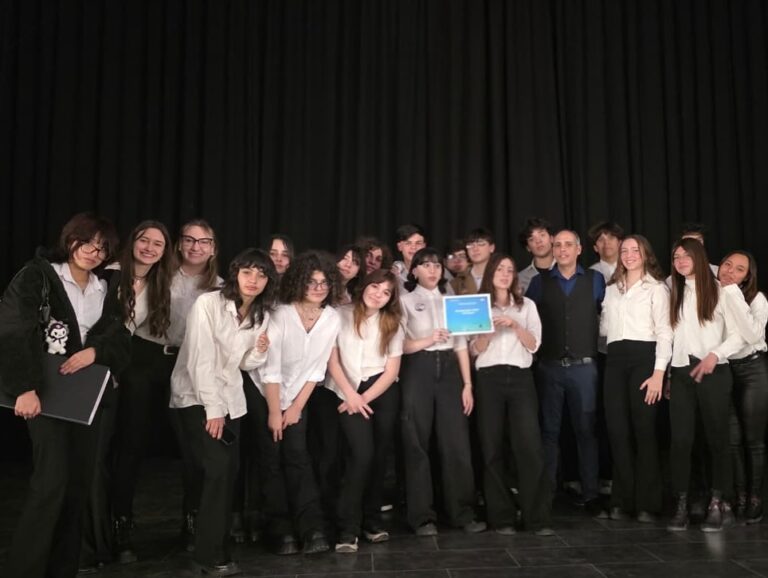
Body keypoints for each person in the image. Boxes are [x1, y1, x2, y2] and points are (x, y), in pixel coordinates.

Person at [0, 212, 130, 578]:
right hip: (44, 394)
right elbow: (12, 331)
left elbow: (121, 340)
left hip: (86, 398)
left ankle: (63, 569)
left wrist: (96, 352)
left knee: (78, 486)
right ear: (69, 240)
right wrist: (24, 388)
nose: (92, 251)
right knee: (51, 483)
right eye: (86, 242)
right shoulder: (39, 276)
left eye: (101, 248)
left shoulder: (105, 287)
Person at [115, 218, 222, 555]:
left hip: (189, 364)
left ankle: (192, 522)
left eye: (203, 241)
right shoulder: (159, 272)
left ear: (213, 248)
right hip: (145, 358)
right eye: (189, 239)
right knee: (131, 442)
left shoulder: (220, 287)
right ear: (178, 244)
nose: (195, 247)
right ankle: (120, 523)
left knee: (193, 449)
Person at [170, 248, 276, 576]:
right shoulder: (209, 303)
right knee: (216, 471)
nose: (253, 280)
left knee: (228, 473)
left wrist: (259, 352)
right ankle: (208, 554)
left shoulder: (261, 314)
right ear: (235, 274)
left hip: (232, 401)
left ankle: (217, 547)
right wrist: (213, 410)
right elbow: (198, 359)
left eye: (261, 274)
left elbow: (243, 364)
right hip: (196, 398)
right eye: (247, 272)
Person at [253, 251, 341, 555]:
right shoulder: (280, 314)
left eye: (324, 282)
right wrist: (274, 412)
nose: (318, 288)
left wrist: (295, 408)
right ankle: (279, 528)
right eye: (311, 282)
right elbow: (271, 368)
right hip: (265, 392)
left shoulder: (331, 319)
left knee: (298, 456)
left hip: (297, 397)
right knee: (271, 458)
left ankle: (311, 527)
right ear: (299, 282)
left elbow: (317, 369)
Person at [399, 247, 486, 536]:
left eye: (437, 265)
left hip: (450, 371)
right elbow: (399, 345)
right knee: (417, 443)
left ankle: (461, 512)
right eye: (426, 265)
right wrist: (427, 339)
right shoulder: (404, 301)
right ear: (414, 271)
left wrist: (467, 385)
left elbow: (460, 345)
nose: (433, 270)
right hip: (418, 368)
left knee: (456, 442)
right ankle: (422, 517)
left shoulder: (452, 301)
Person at [470, 253, 553, 535]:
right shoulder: (479, 306)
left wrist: (516, 326)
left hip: (520, 378)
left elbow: (534, 345)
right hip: (488, 378)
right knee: (491, 447)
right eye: (500, 269)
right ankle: (502, 518)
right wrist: (487, 332)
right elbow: (473, 350)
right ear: (490, 274)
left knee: (529, 446)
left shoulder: (526, 305)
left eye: (509, 270)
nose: (505, 274)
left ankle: (536, 518)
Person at [666, 238, 744, 533]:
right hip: (682, 372)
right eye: (676, 256)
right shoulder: (674, 292)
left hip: (713, 371)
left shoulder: (720, 291)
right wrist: (671, 374)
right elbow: (674, 338)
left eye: (686, 255)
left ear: (699, 257)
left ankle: (717, 503)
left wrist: (716, 354)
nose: (681, 261)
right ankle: (682, 504)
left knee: (717, 439)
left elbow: (739, 335)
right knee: (681, 441)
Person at [525, 229, 606, 513]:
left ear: (579, 249)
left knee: (586, 431)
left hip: (585, 368)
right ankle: (546, 495)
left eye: (568, 244)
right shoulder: (539, 282)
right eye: (557, 245)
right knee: (548, 432)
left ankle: (591, 493)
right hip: (549, 368)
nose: (562, 249)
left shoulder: (595, 280)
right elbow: (528, 319)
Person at [109, 221, 174, 563]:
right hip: (100, 364)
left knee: (132, 445)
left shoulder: (159, 282)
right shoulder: (110, 275)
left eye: (157, 244)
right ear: (132, 241)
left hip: (134, 365)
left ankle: (121, 523)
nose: (149, 248)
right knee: (107, 448)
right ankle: (101, 526)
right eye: (144, 240)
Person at [327, 269, 404, 552]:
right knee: (361, 455)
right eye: (375, 287)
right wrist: (351, 395)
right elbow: (332, 361)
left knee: (379, 458)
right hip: (345, 390)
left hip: (380, 391)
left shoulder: (393, 322)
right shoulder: (339, 315)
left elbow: (392, 370)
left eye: (386, 292)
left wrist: (364, 398)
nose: (378, 295)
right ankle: (347, 528)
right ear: (364, 287)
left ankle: (371, 521)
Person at [599, 235, 671, 522]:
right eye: (624, 250)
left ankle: (647, 503)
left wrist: (658, 374)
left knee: (644, 431)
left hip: (645, 360)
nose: (629, 255)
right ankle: (622, 499)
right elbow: (604, 329)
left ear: (646, 254)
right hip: (615, 361)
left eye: (635, 250)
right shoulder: (611, 290)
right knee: (617, 431)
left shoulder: (657, 288)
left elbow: (665, 332)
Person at [718, 251, 768, 523]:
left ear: (747, 277)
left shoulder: (756, 299)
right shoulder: (711, 294)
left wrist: (733, 294)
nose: (730, 271)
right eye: (727, 265)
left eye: (739, 269)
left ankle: (755, 498)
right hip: (725, 370)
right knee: (732, 441)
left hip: (752, 370)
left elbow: (752, 335)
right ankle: (739, 495)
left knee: (753, 440)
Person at [451, 228, 495, 295]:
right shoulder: (456, 282)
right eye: (470, 245)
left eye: (481, 244)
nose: (475, 249)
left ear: (491, 248)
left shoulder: (503, 276)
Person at [517, 218, 556, 294]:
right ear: (528, 247)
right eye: (531, 239)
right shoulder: (520, 279)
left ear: (551, 239)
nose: (538, 241)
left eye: (542, 235)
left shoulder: (568, 270)